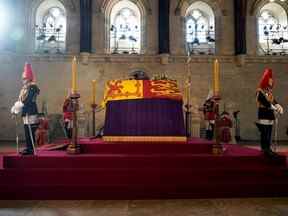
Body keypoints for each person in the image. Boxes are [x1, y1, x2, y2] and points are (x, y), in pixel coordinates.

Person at [11, 63, 40, 155]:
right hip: (26, 112)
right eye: (22, 78)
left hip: (31, 112)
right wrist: (15, 109)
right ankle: (28, 148)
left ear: (29, 78)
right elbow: (21, 100)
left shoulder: (32, 87)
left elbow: (27, 100)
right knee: (27, 132)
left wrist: (16, 108)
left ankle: (31, 149)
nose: (23, 80)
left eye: (24, 78)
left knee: (30, 132)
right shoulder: (24, 88)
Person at [255, 68, 283, 159]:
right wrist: (274, 107)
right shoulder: (260, 91)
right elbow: (265, 102)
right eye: (270, 80)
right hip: (263, 114)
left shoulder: (269, 92)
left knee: (269, 133)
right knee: (265, 133)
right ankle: (264, 149)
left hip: (270, 115)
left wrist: (278, 105)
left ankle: (268, 148)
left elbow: (273, 101)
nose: (272, 82)